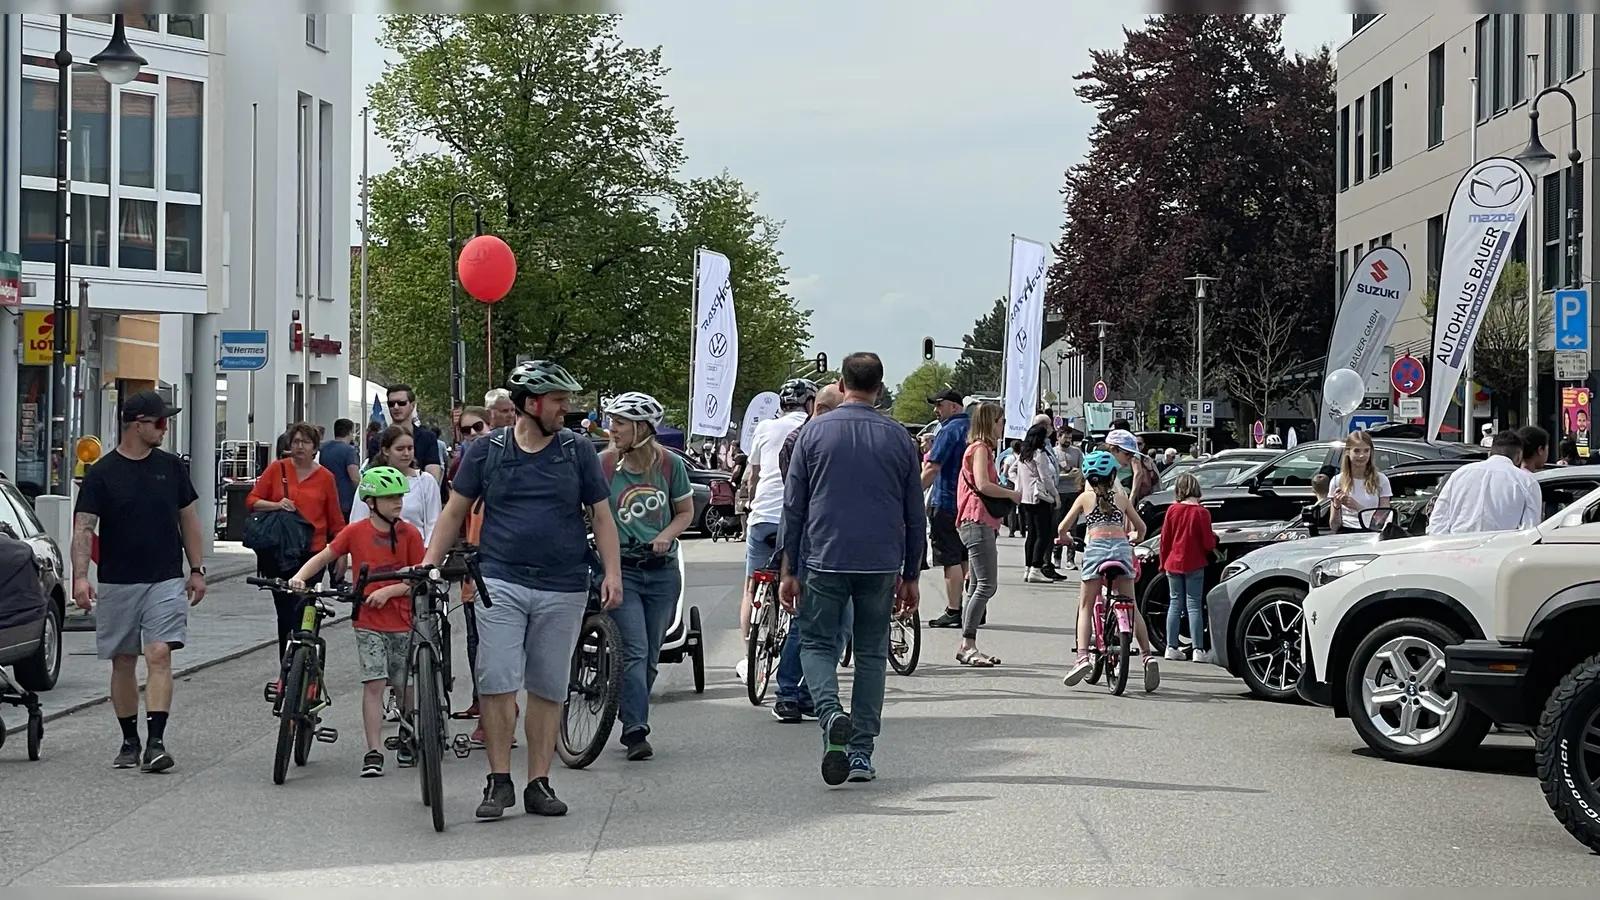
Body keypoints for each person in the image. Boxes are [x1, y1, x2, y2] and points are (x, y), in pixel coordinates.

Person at [422, 359, 621, 820]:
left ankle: (538, 783)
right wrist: (430, 564)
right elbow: (455, 512)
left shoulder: (577, 451)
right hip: (501, 581)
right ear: (530, 404)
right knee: (496, 679)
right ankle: (499, 781)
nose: (565, 410)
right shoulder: (487, 450)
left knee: (549, 687)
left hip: (565, 583)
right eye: (558, 401)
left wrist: (612, 572)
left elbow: (602, 517)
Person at [781, 353, 924, 785]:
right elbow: (914, 512)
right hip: (880, 561)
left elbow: (794, 507)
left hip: (823, 556)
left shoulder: (812, 434)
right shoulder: (900, 437)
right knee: (871, 655)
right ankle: (860, 752)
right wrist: (912, 572)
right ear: (880, 388)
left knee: (817, 644)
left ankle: (828, 714)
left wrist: (789, 565)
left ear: (841, 385)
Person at [71, 391, 207, 773]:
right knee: (124, 660)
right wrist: (81, 577)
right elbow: (84, 528)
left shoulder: (172, 468)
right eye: (161, 422)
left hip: (165, 577)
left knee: (159, 653)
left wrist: (197, 569)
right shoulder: (101, 473)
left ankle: (157, 741)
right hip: (117, 581)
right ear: (137, 425)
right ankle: (129, 739)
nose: (166, 428)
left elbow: (188, 520)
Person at [288, 467, 423, 776]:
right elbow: (324, 556)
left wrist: (390, 591)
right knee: (374, 684)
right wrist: (299, 577)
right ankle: (373, 750)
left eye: (399, 497)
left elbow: (417, 579)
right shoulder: (356, 532)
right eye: (389, 498)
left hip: (402, 621)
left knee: (403, 686)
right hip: (368, 621)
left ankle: (406, 731)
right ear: (372, 502)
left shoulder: (410, 534)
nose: (397, 503)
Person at [600, 391, 694, 761]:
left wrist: (665, 536)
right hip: (622, 569)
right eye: (612, 421)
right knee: (635, 651)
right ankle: (635, 729)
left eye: (620, 422)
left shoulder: (670, 465)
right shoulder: (604, 467)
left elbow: (684, 512)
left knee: (652, 656)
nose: (613, 429)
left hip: (661, 571)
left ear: (642, 428)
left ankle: (631, 710)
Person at [772, 383, 845, 723]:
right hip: (810, 546)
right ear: (820, 409)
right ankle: (787, 692)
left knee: (840, 626)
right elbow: (796, 504)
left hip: (836, 546)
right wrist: (789, 564)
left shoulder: (836, 438)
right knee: (806, 624)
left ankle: (808, 693)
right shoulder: (799, 440)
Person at [1060, 450, 1159, 691]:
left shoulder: (1085, 498)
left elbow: (1063, 528)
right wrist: (1135, 536)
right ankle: (1147, 656)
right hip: (1122, 552)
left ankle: (1082, 657)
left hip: (1096, 551)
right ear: (1113, 474)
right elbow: (1142, 528)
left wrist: (1065, 539)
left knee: (1086, 605)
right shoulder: (1122, 498)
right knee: (1131, 605)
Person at [738, 379, 816, 681]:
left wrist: (752, 500)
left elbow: (753, 476)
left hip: (762, 518)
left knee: (751, 587)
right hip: (795, 520)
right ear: (810, 403)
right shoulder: (812, 427)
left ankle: (749, 656)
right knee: (797, 585)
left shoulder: (765, 428)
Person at [248, 422, 347, 660]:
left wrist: (342, 552)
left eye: (305, 442)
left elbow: (335, 518)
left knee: (305, 609)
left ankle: (308, 662)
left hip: (311, 553)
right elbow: (251, 500)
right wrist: (276, 504)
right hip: (280, 553)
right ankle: (288, 669)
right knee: (285, 612)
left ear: (315, 448)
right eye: (295, 441)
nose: (299, 447)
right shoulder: (277, 469)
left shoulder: (325, 477)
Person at [955, 401, 1019, 667]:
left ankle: (968, 644)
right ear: (991, 422)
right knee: (986, 584)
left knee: (975, 585)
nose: (1003, 426)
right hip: (977, 519)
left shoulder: (981, 449)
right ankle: (967, 644)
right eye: (1001, 421)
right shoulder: (980, 449)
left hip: (977, 520)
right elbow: (982, 484)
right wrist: (1011, 494)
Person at [1427, 429, 1543, 535]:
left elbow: (1438, 519)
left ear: (1490, 452)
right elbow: (1529, 530)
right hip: (1501, 551)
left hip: (1457, 549)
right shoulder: (1526, 482)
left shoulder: (1460, 474)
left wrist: (1446, 547)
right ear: (1518, 456)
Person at [922, 389, 971, 629]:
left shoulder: (949, 430)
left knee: (950, 558)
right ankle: (973, 608)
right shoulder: (972, 428)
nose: (935, 409)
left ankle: (953, 609)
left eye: (939, 405)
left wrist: (911, 493)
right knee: (965, 557)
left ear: (954, 407)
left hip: (946, 500)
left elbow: (933, 468)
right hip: (968, 505)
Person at [1159, 473, 1217, 663]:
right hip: (1195, 563)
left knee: (1174, 604)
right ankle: (1198, 650)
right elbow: (1208, 544)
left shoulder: (1172, 510)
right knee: (1194, 606)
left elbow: (1165, 540)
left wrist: (1162, 562)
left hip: (1172, 563)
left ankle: (1171, 646)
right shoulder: (1202, 513)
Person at [352, 425, 442, 545]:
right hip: (378, 552)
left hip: (417, 553)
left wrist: (427, 556)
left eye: (410, 448)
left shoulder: (426, 481)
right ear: (385, 451)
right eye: (400, 449)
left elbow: (433, 523)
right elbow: (358, 522)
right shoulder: (370, 481)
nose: (406, 453)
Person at [1016, 422, 1063, 583]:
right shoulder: (1039, 453)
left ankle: (1028, 567)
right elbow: (1045, 477)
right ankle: (1036, 568)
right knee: (1043, 534)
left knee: (1031, 534)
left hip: (1026, 497)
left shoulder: (1024, 454)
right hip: (1040, 497)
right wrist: (1056, 495)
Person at [1328, 430, 1391, 533]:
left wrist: (1357, 507)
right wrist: (1337, 505)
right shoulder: (1337, 481)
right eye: (1357, 451)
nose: (1362, 455)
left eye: (1366, 451)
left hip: (1371, 532)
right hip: (1346, 534)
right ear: (1348, 452)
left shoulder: (1381, 479)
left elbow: (1381, 520)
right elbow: (1334, 526)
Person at [385, 384, 444, 483]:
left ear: (412, 405)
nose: (395, 407)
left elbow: (433, 478)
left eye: (401, 403)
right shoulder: (378, 440)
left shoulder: (427, 438)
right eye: (391, 404)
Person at [320, 419, 362, 524]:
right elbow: (354, 477)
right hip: (345, 500)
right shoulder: (349, 450)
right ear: (350, 432)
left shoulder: (324, 447)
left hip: (326, 497)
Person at [1053, 429, 1084, 570]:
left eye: (1070, 438)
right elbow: (1052, 475)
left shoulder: (1077, 452)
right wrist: (1067, 475)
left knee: (1073, 527)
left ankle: (1070, 559)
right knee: (1058, 526)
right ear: (1059, 437)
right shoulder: (1053, 452)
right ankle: (1057, 557)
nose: (1068, 440)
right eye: (1065, 437)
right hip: (1058, 492)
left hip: (1073, 492)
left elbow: (1082, 471)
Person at [1104, 429, 1158, 505]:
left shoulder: (1115, 478)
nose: (1130, 459)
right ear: (1113, 450)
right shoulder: (1099, 474)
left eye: (1133, 455)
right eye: (1127, 454)